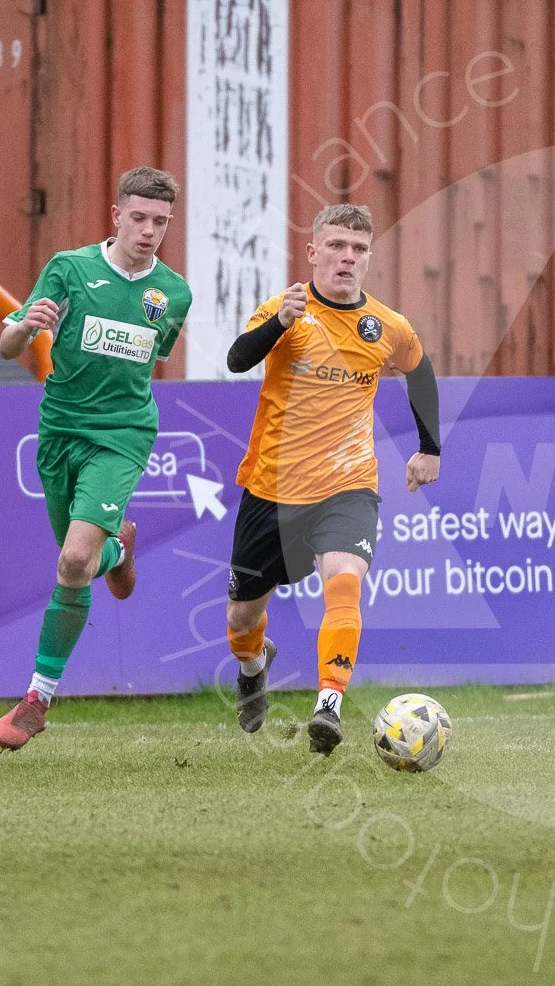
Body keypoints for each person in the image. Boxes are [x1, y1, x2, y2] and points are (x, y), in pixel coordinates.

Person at [222, 203, 442, 756]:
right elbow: (236, 359)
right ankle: (253, 667)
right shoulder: (285, 309)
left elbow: (419, 372)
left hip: (348, 484)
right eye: (337, 246)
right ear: (314, 252)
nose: (348, 257)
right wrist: (280, 324)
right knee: (242, 617)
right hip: (271, 488)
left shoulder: (387, 326)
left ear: (369, 257)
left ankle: (329, 704)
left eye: (359, 249)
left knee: (345, 581)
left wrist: (429, 448)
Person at [0, 167, 192, 750]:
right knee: (77, 564)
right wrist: (27, 326)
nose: (149, 230)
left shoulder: (173, 293)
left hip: (123, 433)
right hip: (59, 430)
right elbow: (7, 348)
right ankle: (120, 548)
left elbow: (150, 358)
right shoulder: (69, 269)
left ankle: (35, 702)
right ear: (116, 215)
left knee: (74, 560)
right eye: (140, 218)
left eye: (161, 221)